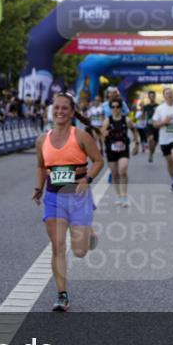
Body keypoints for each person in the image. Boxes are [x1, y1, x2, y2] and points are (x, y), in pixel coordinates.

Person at [32, 91, 104, 311]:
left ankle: (89, 233)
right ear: (51, 110)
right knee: (58, 246)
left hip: (78, 197)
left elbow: (98, 161)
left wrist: (87, 179)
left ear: (72, 112)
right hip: (54, 198)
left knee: (80, 251)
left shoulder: (81, 136)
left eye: (64, 108)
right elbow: (41, 166)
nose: (60, 111)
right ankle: (62, 295)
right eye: (56, 107)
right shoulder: (42, 140)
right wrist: (39, 187)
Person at [101, 98, 141, 207]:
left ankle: (124, 196)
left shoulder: (126, 120)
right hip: (111, 149)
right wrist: (105, 134)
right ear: (110, 108)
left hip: (123, 148)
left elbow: (134, 130)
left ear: (121, 108)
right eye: (113, 107)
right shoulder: (108, 120)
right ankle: (118, 195)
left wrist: (137, 144)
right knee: (114, 173)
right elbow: (102, 133)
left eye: (117, 107)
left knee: (122, 170)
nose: (115, 109)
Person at [141, 90, 159, 162]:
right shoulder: (146, 106)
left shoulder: (158, 106)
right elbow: (143, 116)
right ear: (148, 97)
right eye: (150, 96)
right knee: (151, 139)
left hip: (157, 125)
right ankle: (150, 154)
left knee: (155, 142)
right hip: (149, 125)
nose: (152, 97)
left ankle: (151, 153)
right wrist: (142, 123)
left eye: (153, 96)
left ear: (155, 97)